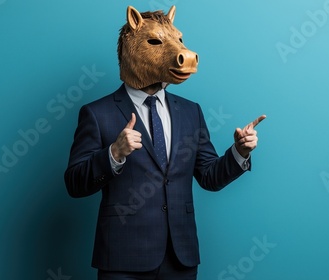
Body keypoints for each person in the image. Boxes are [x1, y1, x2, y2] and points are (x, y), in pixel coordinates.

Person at [64, 5, 265, 280]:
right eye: (157, 42)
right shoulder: (97, 114)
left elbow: (209, 177)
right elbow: (75, 184)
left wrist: (239, 152)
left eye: (178, 41)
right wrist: (114, 154)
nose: (180, 50)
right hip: (123, 259)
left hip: (180, 259)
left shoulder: (191, 111)